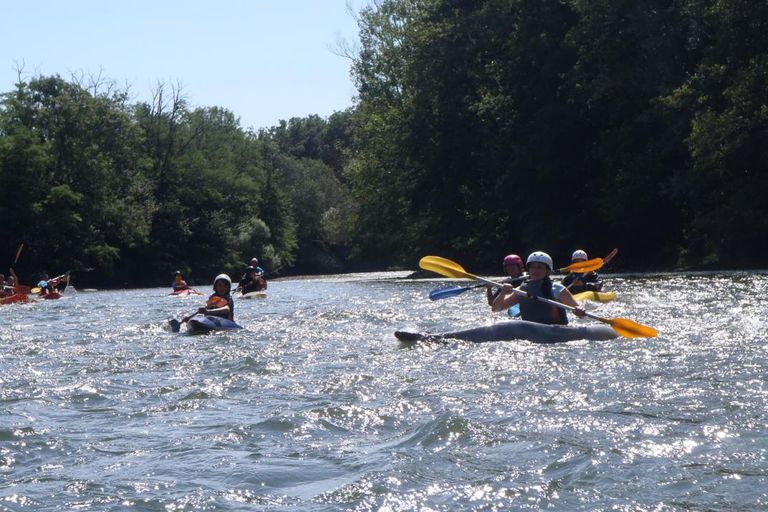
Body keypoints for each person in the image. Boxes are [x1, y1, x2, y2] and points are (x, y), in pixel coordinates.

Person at [491, 251, 585, 325]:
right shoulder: (522, 289)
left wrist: (579, 310)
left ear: (547, 271)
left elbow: (579, 312)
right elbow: (496, 309)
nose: (535, 270)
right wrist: (502, 293)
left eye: (540, 267)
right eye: (533, 267)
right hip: (531, 330)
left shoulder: (557, 288)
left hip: (555, 329)